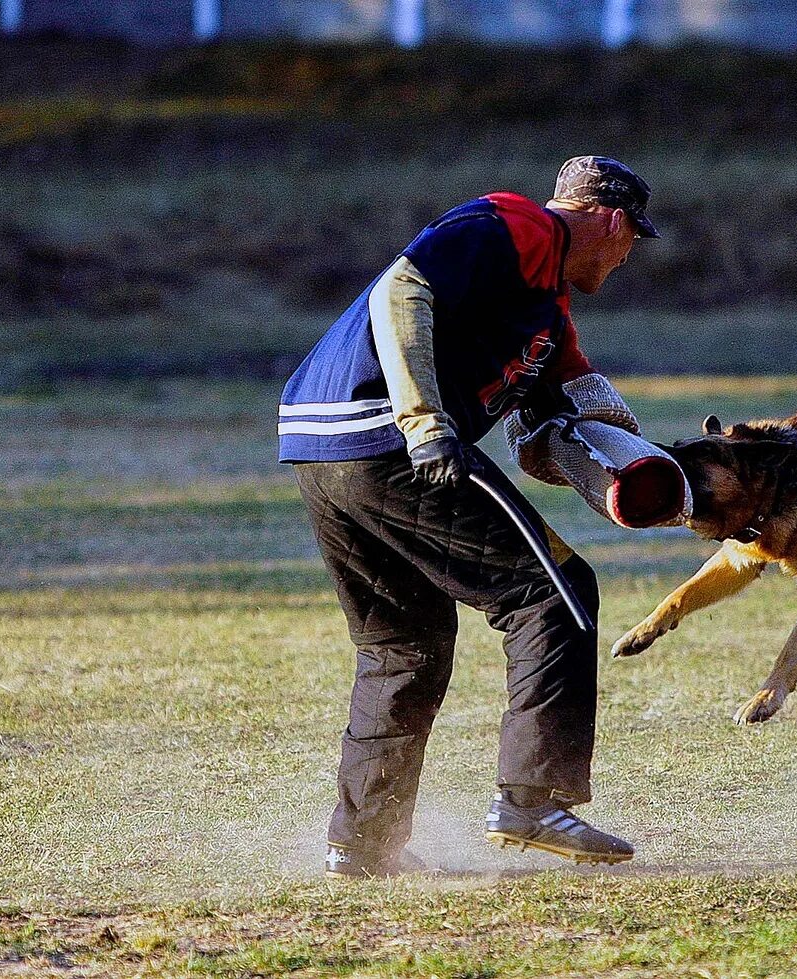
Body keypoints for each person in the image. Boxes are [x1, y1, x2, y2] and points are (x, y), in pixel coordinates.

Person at [278, 156, 660, 876]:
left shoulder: (547, 311)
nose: (627, 256)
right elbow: (403, 286)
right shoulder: (519, 223)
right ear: (613, 222)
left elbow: (579, 417)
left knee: (404, 641)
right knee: (554, 591)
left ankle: (363, 845)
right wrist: (425, 422)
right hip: (389, 435)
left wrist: (653, 483)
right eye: (633, 239)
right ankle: (533, 801)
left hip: (318, 446)